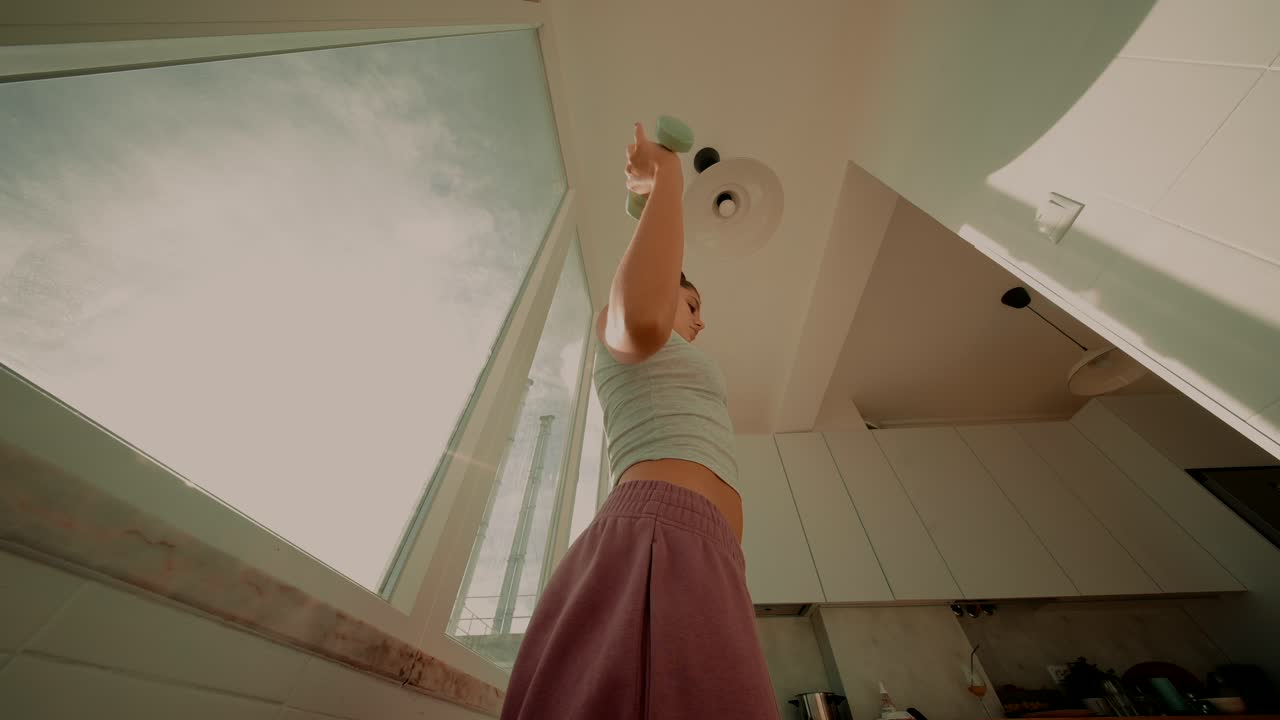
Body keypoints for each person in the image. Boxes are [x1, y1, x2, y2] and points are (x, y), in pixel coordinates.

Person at [499, 123, 778, 719]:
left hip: (701, 552)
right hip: (661, 540)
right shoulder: (620, 323)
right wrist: (666, 180)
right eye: (694, 305)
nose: (701, 323)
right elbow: (646, 317)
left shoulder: (662, 354)